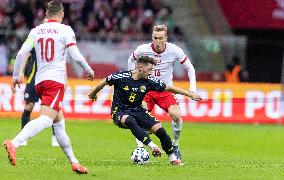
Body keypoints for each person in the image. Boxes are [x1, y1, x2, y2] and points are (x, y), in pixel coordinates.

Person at [3, 1, 94, 174]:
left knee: (59, 123)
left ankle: (74, 162)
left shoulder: (36, 31)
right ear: (62, 14)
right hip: (55, 81)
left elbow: (22, 53)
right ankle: (14, 143)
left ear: (46, 13)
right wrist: (88, 69)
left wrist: (15, 77)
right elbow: (74, 54)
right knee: (46, 119)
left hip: (39, 81)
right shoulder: (66, 30)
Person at [89, 56, 202, 165]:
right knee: (129, 120)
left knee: (160, 130)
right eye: (149, 69)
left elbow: (169, 88)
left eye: (152, 70)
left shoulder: (149, 81)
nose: (151, 72)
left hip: (138, 110)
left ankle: (173, 158)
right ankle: (152, 146)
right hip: (119, 111)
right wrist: (93, 93)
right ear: (140, 67)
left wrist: (189, 94)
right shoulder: (121, 76)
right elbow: (104, 81)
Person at [128, 24, 197, 160]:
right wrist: (133, 81)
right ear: (152, 37)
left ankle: (175, 145)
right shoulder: (143, 49)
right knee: (139, 114)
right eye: (155, 38)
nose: (157, 41)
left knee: (176, 115)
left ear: (166, 38)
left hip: (165, 89)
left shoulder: (174, 50)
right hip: (146, 89)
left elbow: (190, 68)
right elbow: (131, 60)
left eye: (160, 38)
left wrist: (193, 89)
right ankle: (140, 148)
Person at [20, 48, 59, 147]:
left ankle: (55, 137)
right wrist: (21, 72)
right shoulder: (37, 40)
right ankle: (23, 136)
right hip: (33, 79)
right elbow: (27, 56)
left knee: (52, 108)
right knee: (29, 106)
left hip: (48, 79)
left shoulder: (54, 44)